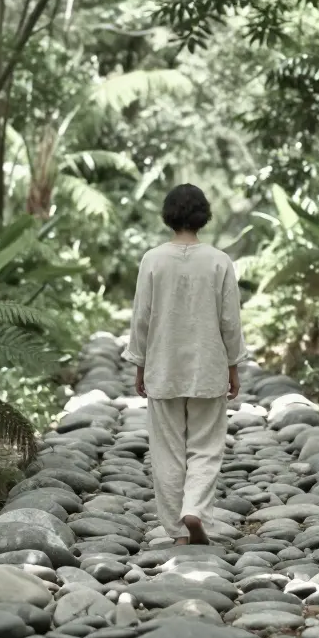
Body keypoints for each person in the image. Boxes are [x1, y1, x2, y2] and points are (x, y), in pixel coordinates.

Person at [123, 184, 249, 546]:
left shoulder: (152, 260)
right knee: (206, 447)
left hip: (163, 368)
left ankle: (178, 532)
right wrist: (233, 366)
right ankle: (194, 508)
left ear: (168, 215)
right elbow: (230, 321)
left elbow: (142, 318)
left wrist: (139, 364)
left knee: (167, 451)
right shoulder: (219, 261)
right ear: (203, 216)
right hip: (208, 367)